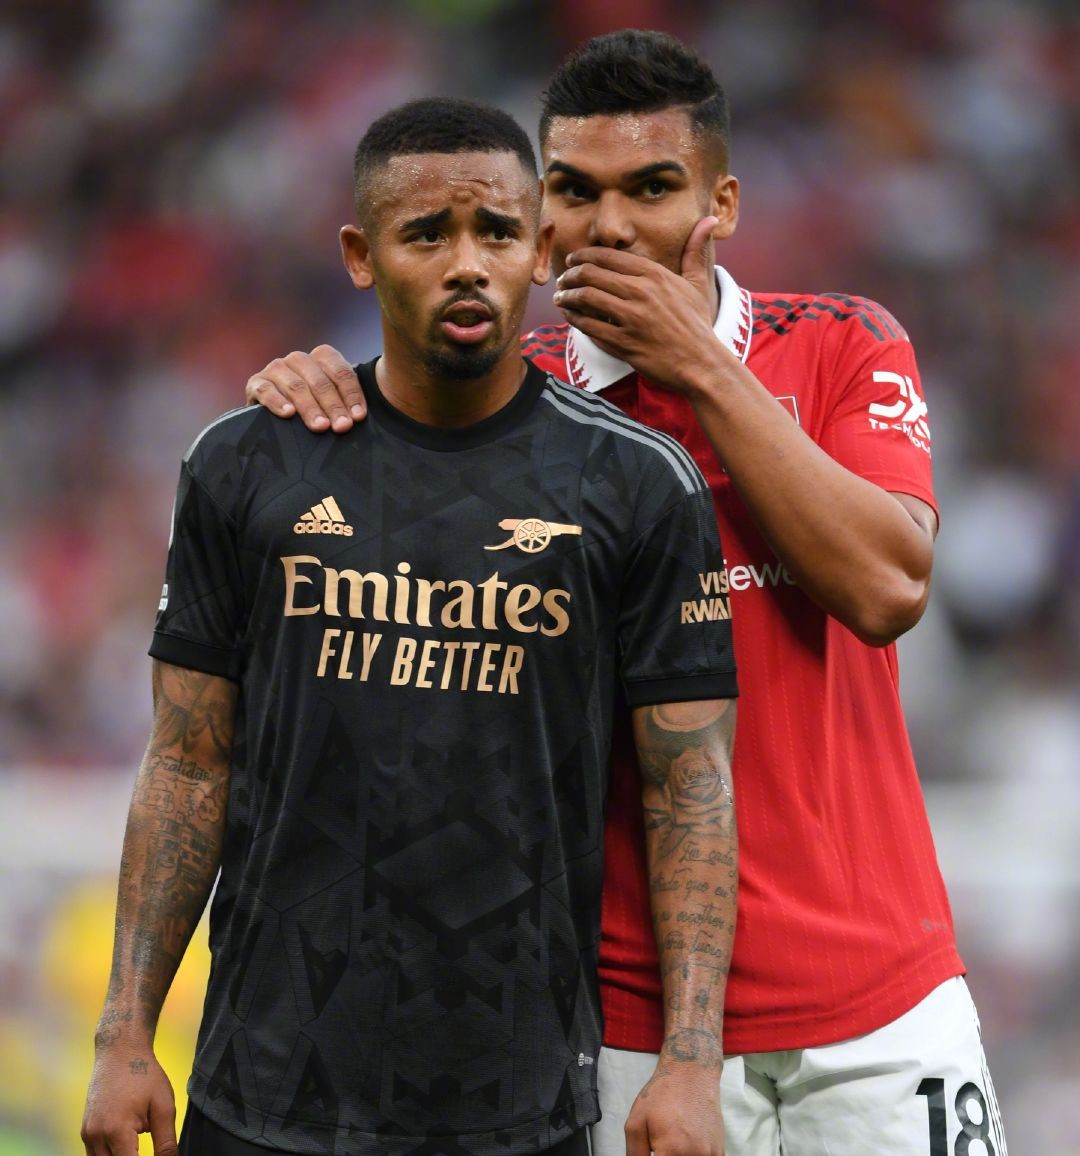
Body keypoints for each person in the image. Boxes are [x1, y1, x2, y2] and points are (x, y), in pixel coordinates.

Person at [246, 30, 1008, 1156]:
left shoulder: (840, 343)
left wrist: (696, 365)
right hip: (625, 1027)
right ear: (540, 219)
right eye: (575, 191)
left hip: (881, 1002)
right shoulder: (503, 406)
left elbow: (888, 584)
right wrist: (317, 394)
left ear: (721, 203)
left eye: (652, 189)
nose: (611, 227)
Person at [80, 96, 741, 1156]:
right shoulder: (247, 462)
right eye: (427, 233)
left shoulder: (637, 484)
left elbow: (689, 788)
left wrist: (692, 1061)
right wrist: (125, 1031)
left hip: (515, 1102)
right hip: (263, 1089)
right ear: (361, 255)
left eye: (498, 232)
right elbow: (189, 762)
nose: (467, 264)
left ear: (541, 250)